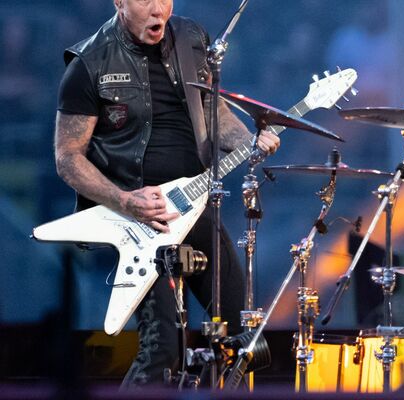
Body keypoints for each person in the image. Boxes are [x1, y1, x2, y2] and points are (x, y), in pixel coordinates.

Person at [54, 0, 280, 388]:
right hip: (138, 220)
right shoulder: (89, 63)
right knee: (163, 349)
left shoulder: (192, 39)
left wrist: (250, 141)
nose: (159, 10)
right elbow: (67, 158)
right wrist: (126, 200)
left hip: (195, 206)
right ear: (120, 3)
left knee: (245, 338)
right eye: (146, 1)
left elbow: (213, 110)